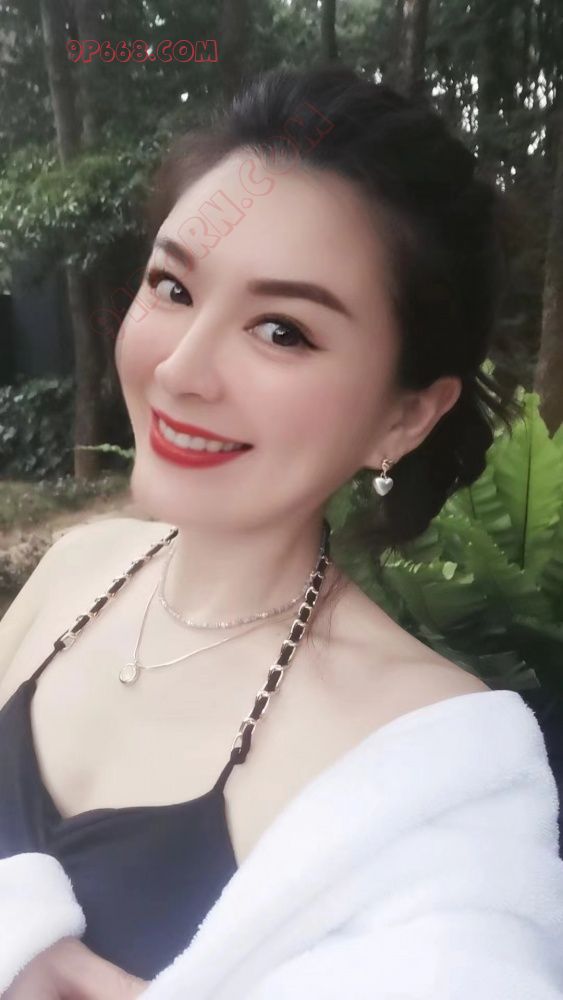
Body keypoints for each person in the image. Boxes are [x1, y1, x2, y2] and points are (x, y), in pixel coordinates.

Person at [1, 63, 562, 999]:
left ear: (404, 418)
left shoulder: (430, 766)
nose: (180, 370)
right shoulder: (73, 571)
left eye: (282, 332)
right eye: (173, 287)